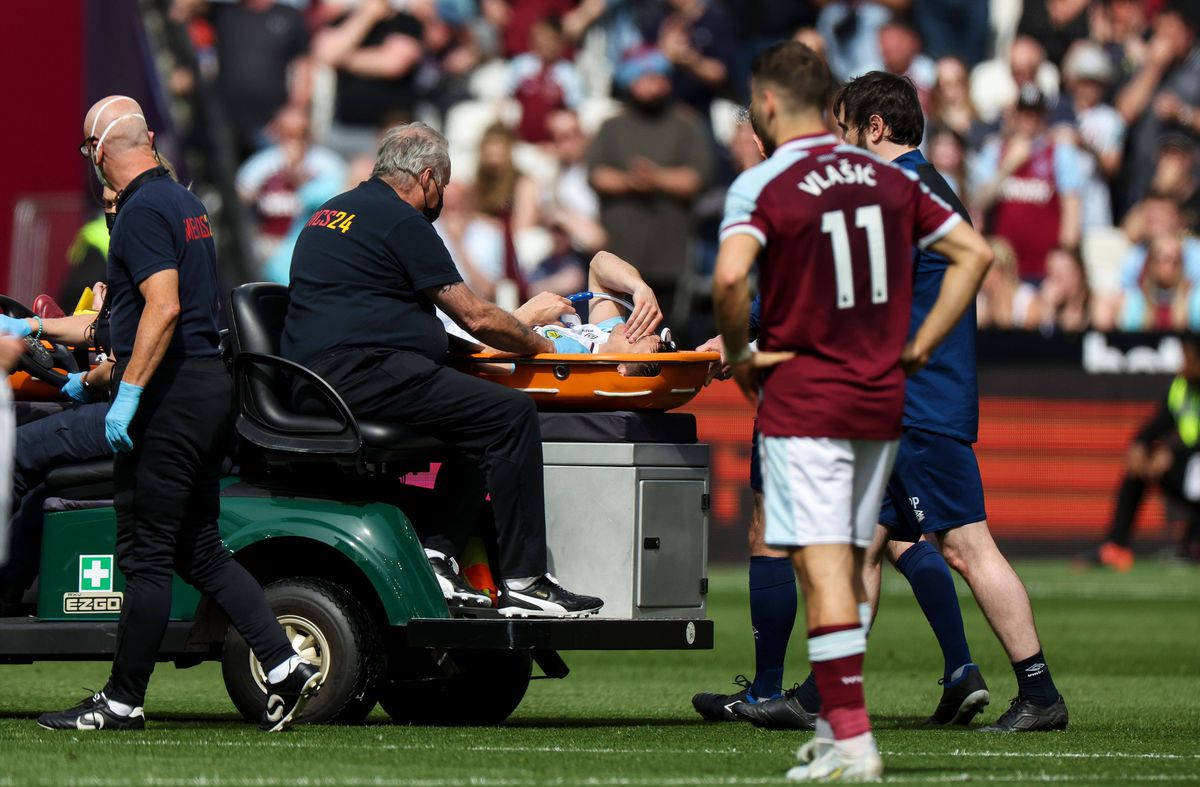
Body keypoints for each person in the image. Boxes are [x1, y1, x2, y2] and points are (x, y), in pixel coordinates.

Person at [712, 44, 991, 781]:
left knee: (826, 566)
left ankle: (848, 738)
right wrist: (920, 347)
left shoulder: (770, 181)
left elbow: (733, 280)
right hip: (882, 398)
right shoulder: (885, 179)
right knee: (862, 554)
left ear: (772, 107)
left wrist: (741, 355)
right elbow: (974, 255)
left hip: (812, 395)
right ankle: (846, 730)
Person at [39, 96, 320, 733]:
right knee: (199, 549)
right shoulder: (184, 201)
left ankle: (122, 700)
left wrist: (129, 392)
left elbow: (163, 307)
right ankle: (282, 664)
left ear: (100, 151)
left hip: (168, 397)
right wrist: (99, 376)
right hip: (206, 387)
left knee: (145, 553)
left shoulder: (140, 209)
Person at [280, 122, 603, 618]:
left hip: (321, 375)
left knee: (475, 417)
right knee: (510, 415)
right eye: (444, 187)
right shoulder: (400, 220)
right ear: (427, 178)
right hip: (360, 373)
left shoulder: (332, 211)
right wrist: (542, 345)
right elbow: (474, 315)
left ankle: (437, 555)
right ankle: (526, 581)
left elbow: (381, 312)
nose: (442, 199)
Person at [833, 72, 1069, 735]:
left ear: (874, 128)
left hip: (920, 405)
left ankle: (1040, 692)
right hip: (904, 403)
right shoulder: (923, 189)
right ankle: (830, 693)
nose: (838, 142)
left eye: (844, 128)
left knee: (966, 546)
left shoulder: (901, 193)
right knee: (862, 544)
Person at [588, 48, 714, 321]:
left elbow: (696, 179)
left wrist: (656, 178)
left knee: (667, 334)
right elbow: (596, 175)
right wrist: (629, 181)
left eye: (658, 77)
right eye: (644, 78)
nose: (652, 85)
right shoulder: (611, 127)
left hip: (670, 256)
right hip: (618, 255)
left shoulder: (687, 124)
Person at [1084, 334, 1200, 570]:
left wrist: (1173, 452)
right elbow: (1160, 422)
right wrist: (1139, 444)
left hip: (1193, 466)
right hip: (1188, 470)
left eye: (1188, 360)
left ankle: (1192, 543)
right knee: (1137, 469)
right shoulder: (1180, 386)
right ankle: (1116, 546)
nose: (1182, 366)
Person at [971, 83, 1084, 282]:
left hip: (1044, 267)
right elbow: (979, 201)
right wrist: (1008, 166)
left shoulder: (1059, 152)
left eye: (1035, 114)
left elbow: (1071, 209)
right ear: (1014, 115)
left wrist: (1065, 257)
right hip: (1002, 268)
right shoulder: (995, 151)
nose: (1029, 120)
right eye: (1024, 113)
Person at [236, 106, 346, 272]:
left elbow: (340, 200)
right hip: (268, 242)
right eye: (287, 133)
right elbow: (240, 197)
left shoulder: (329, 164)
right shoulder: (261, 163)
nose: (294, 141)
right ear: (277, 133)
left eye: (300, 134)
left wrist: (299, 180)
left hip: (312, 241)